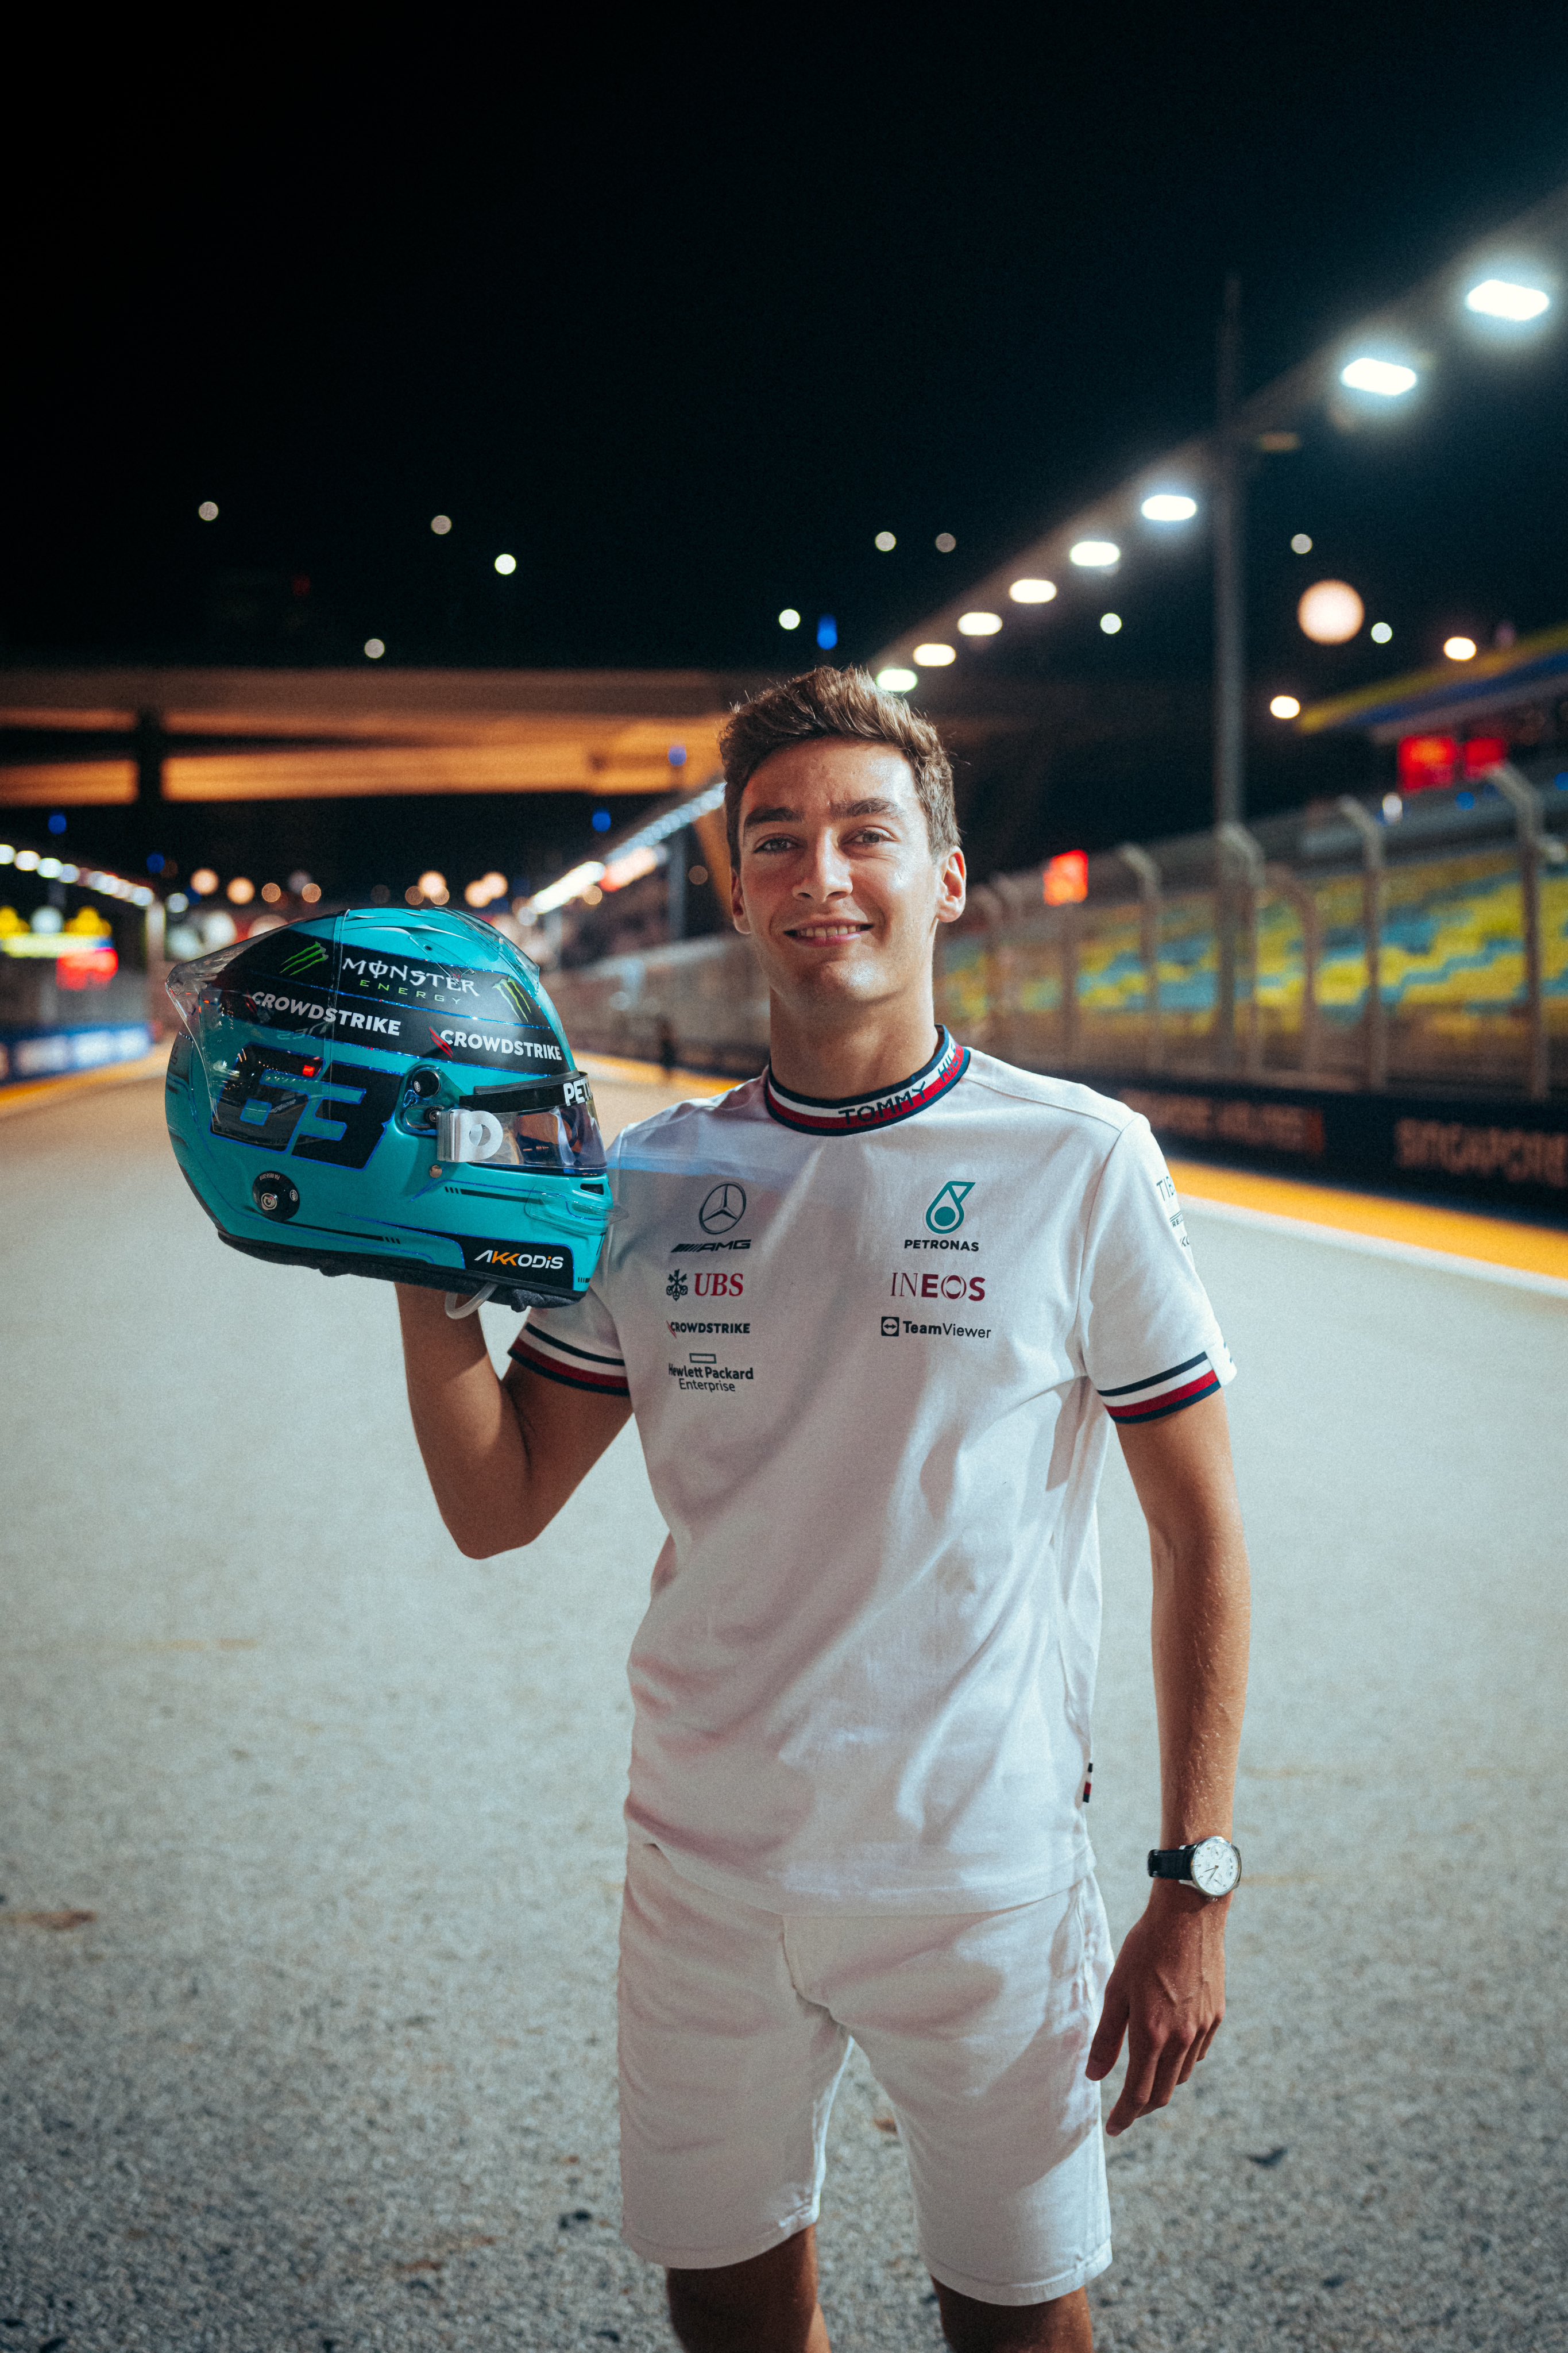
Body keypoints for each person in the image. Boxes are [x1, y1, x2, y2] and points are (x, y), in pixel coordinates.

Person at [396, 668, 1252, 2353]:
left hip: (979, 1875)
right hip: (703, 1863)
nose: (821, 875)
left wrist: (1193, 1884)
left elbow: (1201, 1536)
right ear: (736, 891)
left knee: (1019, 2325)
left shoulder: (1078, 1161)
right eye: (774, 840)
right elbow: (498, 1502)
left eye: (866, 834)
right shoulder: (643, 1185)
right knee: (724, 2311)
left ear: (945, 878)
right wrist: (419, 1271)